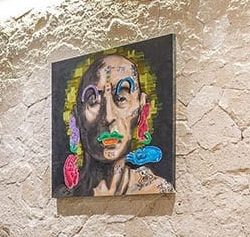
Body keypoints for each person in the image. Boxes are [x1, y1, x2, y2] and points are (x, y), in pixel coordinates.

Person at [60, 48, 173, 196]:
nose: (108, 117)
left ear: (142, 108)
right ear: (76, 117)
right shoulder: (65, 195)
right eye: (93, 101)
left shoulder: (157, 190)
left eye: (121, 98)